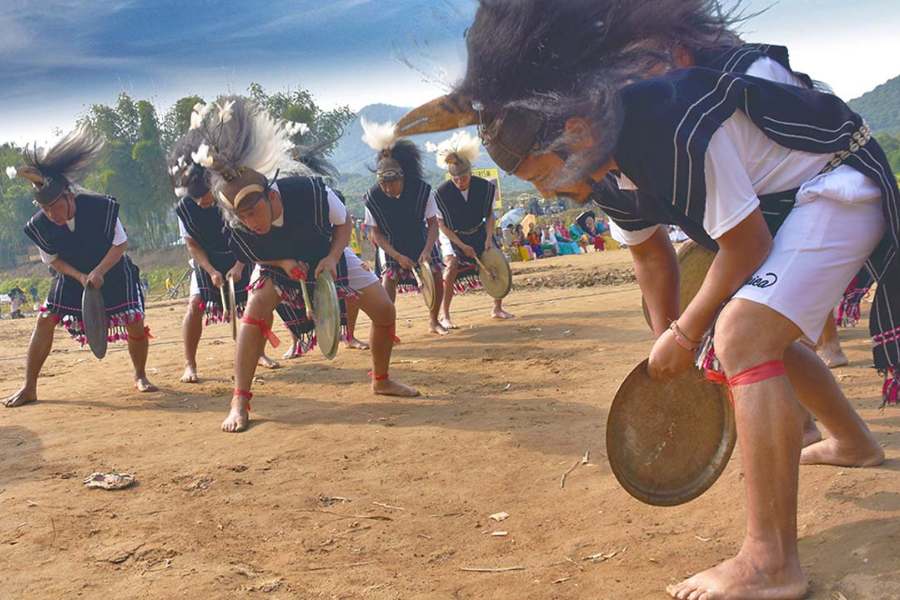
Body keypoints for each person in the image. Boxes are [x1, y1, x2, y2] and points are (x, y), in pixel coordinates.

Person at [397, 2, 898, 599]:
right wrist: (674, 346)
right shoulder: (608, 174)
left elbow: (744, 245)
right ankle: (852, 442)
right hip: (794, 203)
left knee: (740, 333)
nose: (547, 190)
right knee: (740, 331)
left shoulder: (668, 121)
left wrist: (687, 334)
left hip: (837, 185)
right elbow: (652, 257)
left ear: (577, 133)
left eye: (542, 174)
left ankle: (771, 563)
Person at [195, 98, 418, 433]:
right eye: (241, 217)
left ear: (271, 197)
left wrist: (331, 257)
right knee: (254, 313)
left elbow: (342, 226)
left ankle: (382, 379)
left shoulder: (312, 192)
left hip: (328, 253)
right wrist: (281, 262)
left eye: (253, 212)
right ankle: (239, 400)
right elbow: (252, 252)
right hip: (277, 264)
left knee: (385, 311)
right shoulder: (240, 226)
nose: (249, 222)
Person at [4, 125, 157, 408]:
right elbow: (53, 260)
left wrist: (99, 271)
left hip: (112, 268)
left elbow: (120, 244)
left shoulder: (101, 207)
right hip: (72, 273)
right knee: (44, 319)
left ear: (69, 196)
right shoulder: (39, 225)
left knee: (135, 320)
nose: (51, 214)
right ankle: (29, 386)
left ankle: (140, 375)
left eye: (55, 206)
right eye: (45, 209)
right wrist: (80, 275)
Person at [170, 128, 279, 383]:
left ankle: (259, 352)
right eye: (194, 199)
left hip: (243, 254)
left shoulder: (229, 196)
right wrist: (211, 271)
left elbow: (248, 231)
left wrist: (240, 264)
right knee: (196, 305)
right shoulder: (184, 208)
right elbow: (192, 244)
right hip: (207, 260)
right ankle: (190, 364)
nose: (200, 203)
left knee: (262, 304)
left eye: (204, 197)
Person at [360, 120, 447, 336]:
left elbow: (433, 224)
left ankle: (434, 321)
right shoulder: (372, 198)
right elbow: (375, 234)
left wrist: (427, 250)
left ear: (403, 177)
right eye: (383, 184)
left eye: (392, 183)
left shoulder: (422, 191)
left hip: (421, 238)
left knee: (436, 275)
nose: (388, 188)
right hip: (392, 243)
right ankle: (388, 329)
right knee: (388, 280)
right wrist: (397, 256)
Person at [431, 131, 514, 326]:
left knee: (496, 259)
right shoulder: (440, 194)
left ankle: (497, 308)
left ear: (471, 172)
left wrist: (488, 239)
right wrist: (460, 244)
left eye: (463, 176)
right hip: (453, 234)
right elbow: (441, 225)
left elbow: (490, 216)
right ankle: (445, 315)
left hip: (479, 230)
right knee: (451, 267)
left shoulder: (485, 188)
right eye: (455, 178)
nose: (460, 181)